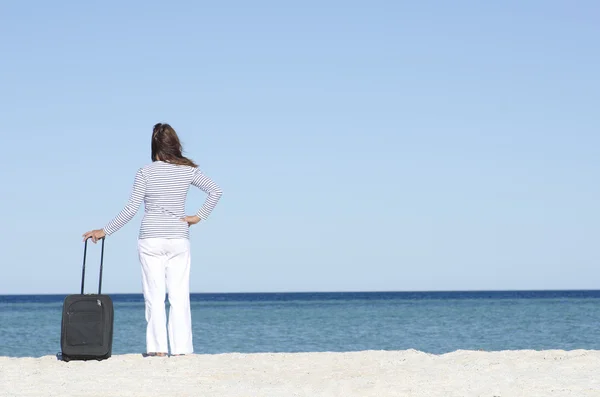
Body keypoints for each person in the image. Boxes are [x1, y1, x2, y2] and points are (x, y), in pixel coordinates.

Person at [82, 123, 223, 357]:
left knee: (154, 297)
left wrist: (104, 231)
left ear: (154, 146)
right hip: (178, 237)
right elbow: (216, 191)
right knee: (179, 297)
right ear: (174, 145)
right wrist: (197, 218)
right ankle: (182, 350)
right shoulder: (188, 170)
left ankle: (158, 350)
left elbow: (130, 210)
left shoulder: (145, 172)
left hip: (150, 239)